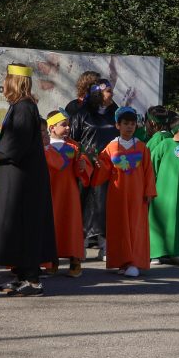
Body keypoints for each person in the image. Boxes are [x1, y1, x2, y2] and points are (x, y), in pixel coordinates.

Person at [0, 64, 56, 296]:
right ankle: (22, 276)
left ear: (14, 82)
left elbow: (17, 143)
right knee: (17, 227)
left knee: (23, 225)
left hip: (23, 180)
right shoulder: (20, 107)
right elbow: (12, 137)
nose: (3, 83)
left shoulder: (24, 107)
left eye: (6, 79)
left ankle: (32, 280)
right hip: (19, 177)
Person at [93, 107, 156, 277]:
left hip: (137, 195)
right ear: (117, 125)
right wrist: (96, 163)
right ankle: (122, 262)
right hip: (117, 194)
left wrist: (149, 191)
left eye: (132, 124)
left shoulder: (142, 147)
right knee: (119, 227)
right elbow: (103, 170)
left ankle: (134, 262)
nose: (129, 127)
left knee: (135, 227)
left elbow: (148, 172)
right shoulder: (111, 147)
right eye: (126, 123)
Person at [71, 77, 118, 252]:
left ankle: (104, 244)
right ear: (98, 94)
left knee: (104, 204)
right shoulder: (82, 114)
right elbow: (73, 139)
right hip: (86, 166)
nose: (112, 94)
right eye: (108, 91)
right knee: (83, 203)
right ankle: (80, 244)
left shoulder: (116, 114)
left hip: (107, 166)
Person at [43, 110, 90, 277]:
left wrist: (82, 166)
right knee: (52, 225)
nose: (68, 128)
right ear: (52, 127)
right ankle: (52, 260)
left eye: (68, 124)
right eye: (64, 125)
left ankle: (75, 260)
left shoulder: (74, 146)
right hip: (50, 191)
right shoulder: (44, 146)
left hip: (69, 193)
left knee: (71, 225)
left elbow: (80, 170)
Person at [150, 114, 179, 265]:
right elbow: (152, 165)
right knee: (159, 220)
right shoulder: (164, 144)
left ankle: (177, 252)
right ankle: (156, 253)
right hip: (162, 191)